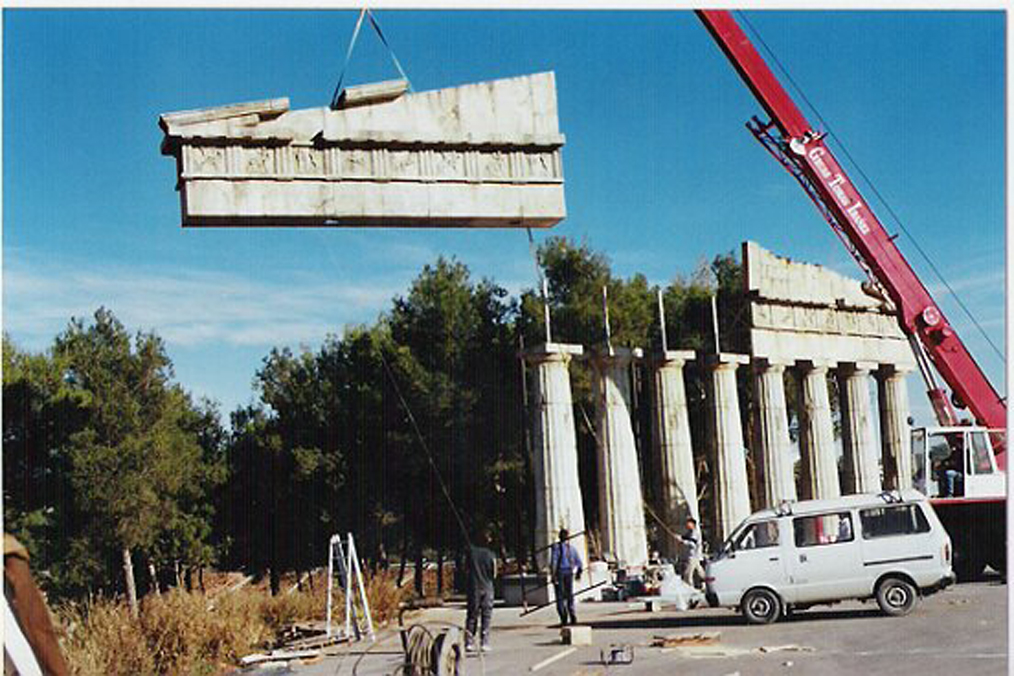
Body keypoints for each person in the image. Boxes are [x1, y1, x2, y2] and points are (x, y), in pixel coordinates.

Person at [464, 531, 497, 653]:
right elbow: (494, 573)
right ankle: (484, 642)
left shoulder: (471, 553)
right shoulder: (491, 554)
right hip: (487, 586)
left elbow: (465, 569)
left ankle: (469, 641)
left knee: (472, 614)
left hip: (474, 587)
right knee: (486, 615)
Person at [549, 528, 583, 626]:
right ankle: (572, 614)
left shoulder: (557, 548)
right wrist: (578, 572)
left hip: (560, 572)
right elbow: (579, 563)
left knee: (560, 596)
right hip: (569, 572)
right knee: (569, 595)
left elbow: (554, 562)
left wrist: (553, 575)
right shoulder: (571, 549)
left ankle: (564, 617)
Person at [679, 516, 705, 589]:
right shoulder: (690, 532)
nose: (687, 524)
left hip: (694, 555)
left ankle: (689, 587)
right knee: (700, 572)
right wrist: (680, 537)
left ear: (692, 524)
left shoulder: (695, 533)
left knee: (687, 573)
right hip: (694, 556)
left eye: (688, 523)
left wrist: (683, 541)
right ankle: (706, 582)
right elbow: (685, 537)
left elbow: (692, 544)